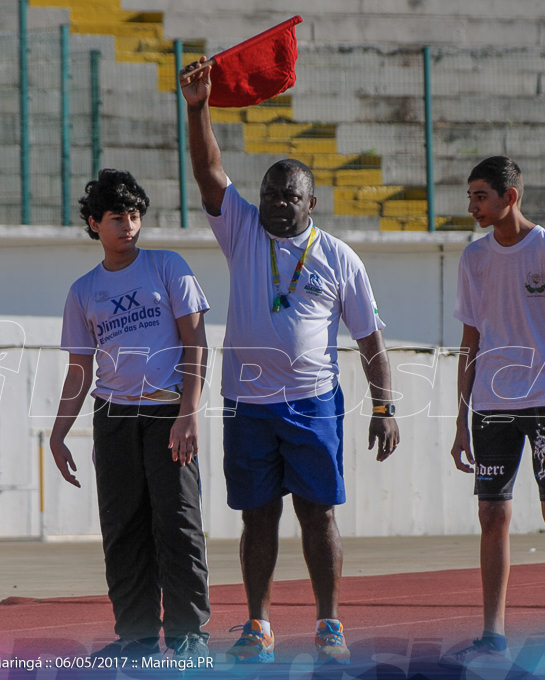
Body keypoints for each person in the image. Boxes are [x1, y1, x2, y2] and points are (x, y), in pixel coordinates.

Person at [180, 57, 400, 665]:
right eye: (270, 193)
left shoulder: (339, 258)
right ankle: (258, 623)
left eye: (290, 195)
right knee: (257, 518)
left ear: (311, 201)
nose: (277, 202)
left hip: (312, 404)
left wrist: (384, 407)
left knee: (317, 513)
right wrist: (199, 107)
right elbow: (208, 170)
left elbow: (370, 342)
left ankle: (329, 624)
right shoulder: (243, 232)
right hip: (248, 404)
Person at [49, 169, 211, 661]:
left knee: (178, 525)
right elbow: (80, 367)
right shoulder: (83, 290)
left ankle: (189, 638)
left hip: (167, 414)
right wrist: (59, 434)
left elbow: (196, 341)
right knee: (123, 529)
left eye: (135, 215)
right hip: (114, 418)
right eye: (117, 217)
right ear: (95, 223)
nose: (128, 225)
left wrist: (189, 412)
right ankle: (137, 639)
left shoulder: (168, 266)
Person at [444, 156, 545, 668]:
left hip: (544, 405)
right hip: (491, 406)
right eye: (469, 197)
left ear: (510, 197)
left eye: (480, 196)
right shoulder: (473, 259)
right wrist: (461, 420)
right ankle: (493, 633)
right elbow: (470, 342)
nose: (472, 206)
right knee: (493, 513)